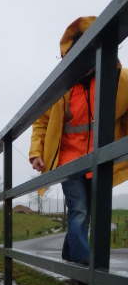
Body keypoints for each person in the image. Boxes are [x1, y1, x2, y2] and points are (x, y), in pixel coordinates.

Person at [29, 16, 128, 265]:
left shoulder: (118, 79)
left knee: (86, 214)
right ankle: (86, 267)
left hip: (99, 159)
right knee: (79, 210)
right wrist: (36, 152)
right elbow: (41, 121)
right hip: (69, 160)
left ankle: (69, 254)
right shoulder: (61, 87)